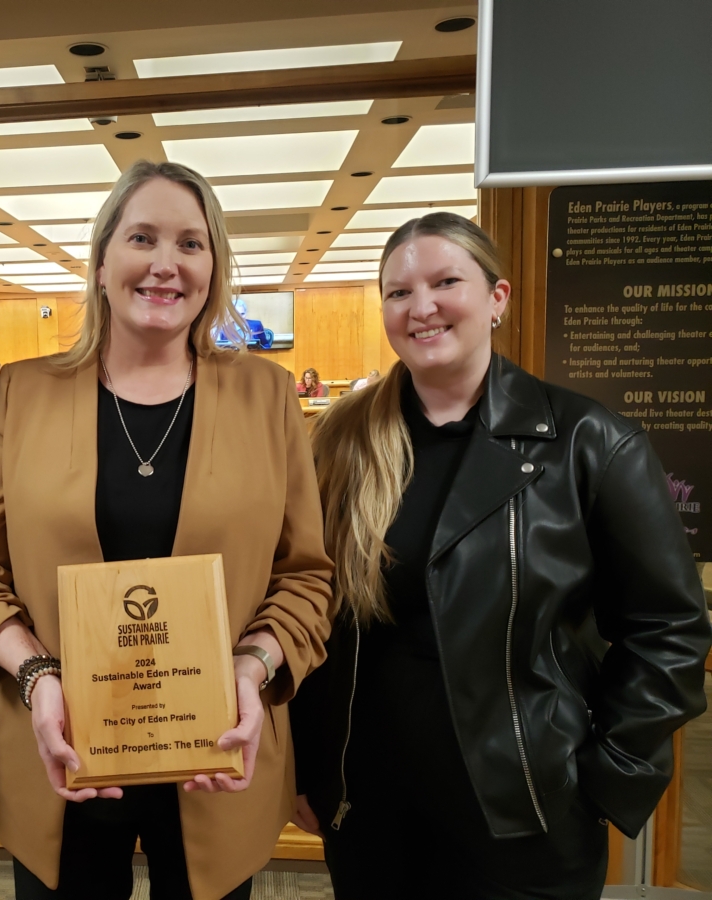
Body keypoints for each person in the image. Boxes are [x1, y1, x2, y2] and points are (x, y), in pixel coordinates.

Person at [0, 160, 335, 900]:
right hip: (62, 753)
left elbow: (306, 578)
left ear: (213, 269)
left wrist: (252, 667)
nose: (165, 264)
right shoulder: (24, 393)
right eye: (142, 238)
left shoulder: (266, 397)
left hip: (217, 759)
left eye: (191, 243)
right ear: (100, 264)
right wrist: (35, 675)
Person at [289, 212, 711, 899]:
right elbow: (319, 617)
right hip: (371, 813)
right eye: (398, 292)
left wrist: (606, 777)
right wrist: (308, 767)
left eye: (445, 281)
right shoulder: (341, 443)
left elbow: (670, 630)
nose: (421, 307)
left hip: (527, 817)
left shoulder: (589, 443)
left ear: (498, 298)